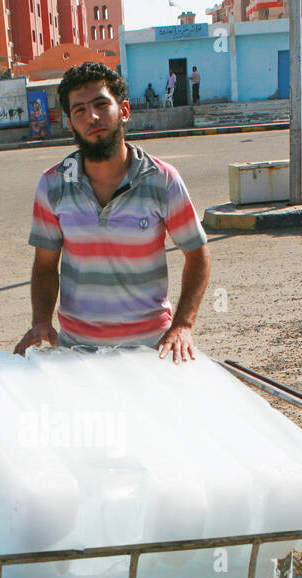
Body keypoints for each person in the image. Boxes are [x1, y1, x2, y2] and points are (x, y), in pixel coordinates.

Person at [16, 61, 211, 362]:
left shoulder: (162, 179)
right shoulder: (53, 184)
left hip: (152, 350)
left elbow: (197, 254)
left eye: (101, 104)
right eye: (79, 110)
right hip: (76, 352)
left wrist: (183, 325)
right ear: (70, 123)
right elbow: (44, 266)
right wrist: (41, 321)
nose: (91, 117)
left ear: (124, 110)